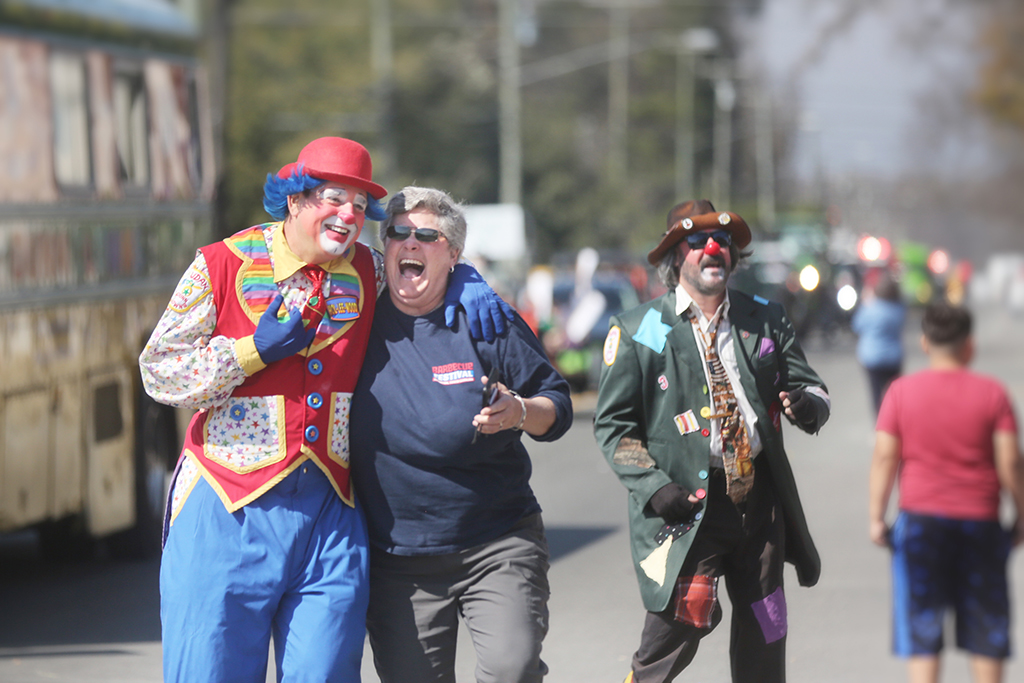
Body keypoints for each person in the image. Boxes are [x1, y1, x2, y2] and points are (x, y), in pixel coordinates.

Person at [139, 138, 512, 683]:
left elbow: (423, 270)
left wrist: (467, 279)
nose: (349, 216)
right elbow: (159, 372)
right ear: (295, 200)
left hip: (331, 509)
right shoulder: (220, 265)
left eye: (360, 206)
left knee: (327, 672)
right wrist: (251, 352)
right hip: (225, 505)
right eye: (335, 199)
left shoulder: (368, 268)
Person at [593, 199, 832, 683]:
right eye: (697, 242)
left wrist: (809, 405)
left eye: (721, 242)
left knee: (768, 630)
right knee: (675, 632)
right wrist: (654, 486)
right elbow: (614, 427)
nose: (711, 249)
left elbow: (813, 386)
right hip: (687, 509)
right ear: (673, 257)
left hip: (759, 502)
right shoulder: (640, 330)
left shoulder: (765, 317)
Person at [349, 186, 573, 683]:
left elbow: (556, 406)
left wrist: (517, 411)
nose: (409, 242)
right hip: (398, 560)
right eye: (398, 233)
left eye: (426, 235)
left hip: (496, 542)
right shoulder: (354, 320)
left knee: (511, 672)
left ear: (452, 253)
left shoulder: (486, 320)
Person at [868, 301, 1024, 683]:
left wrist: (876, 517)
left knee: (922, 630)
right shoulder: (993, 394)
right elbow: (1010, 465)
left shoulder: (900, 392)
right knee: (986, 630)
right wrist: (1022, 514)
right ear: (969, 345)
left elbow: (886, 458)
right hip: (980, 525)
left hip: (920, 526)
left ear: (924, 343)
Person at [851, 271, 906, 415]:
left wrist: (866, 301)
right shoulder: (898, 310)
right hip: (894, 357)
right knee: (894, 394)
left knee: (876, 394)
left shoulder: (870, 309)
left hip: (872, 358)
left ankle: (881, 426)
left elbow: (856, 325)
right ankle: (895, 423)